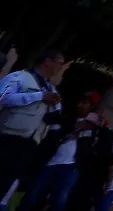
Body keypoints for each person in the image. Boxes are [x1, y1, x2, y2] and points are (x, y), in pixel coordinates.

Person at [19, 92, 102, 211]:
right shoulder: (66, 116)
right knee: (32, 195)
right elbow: (50, 122)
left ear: (92, 106)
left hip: (71, 166)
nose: (80, 105)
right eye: (80, 102)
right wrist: (74, 126)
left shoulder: (94, 126)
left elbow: (92, 149)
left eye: (85, 103)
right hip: (51, 161)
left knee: (59, 200)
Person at [0, 50, 65, 199]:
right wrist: (39, 96)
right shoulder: (19, 77)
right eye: (59, 63)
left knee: (5, 183)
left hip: (31, 142)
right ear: (47, 61)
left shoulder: (52, 89)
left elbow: (55, 117)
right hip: (8, 136)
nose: (61, 67)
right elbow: (3, 97)